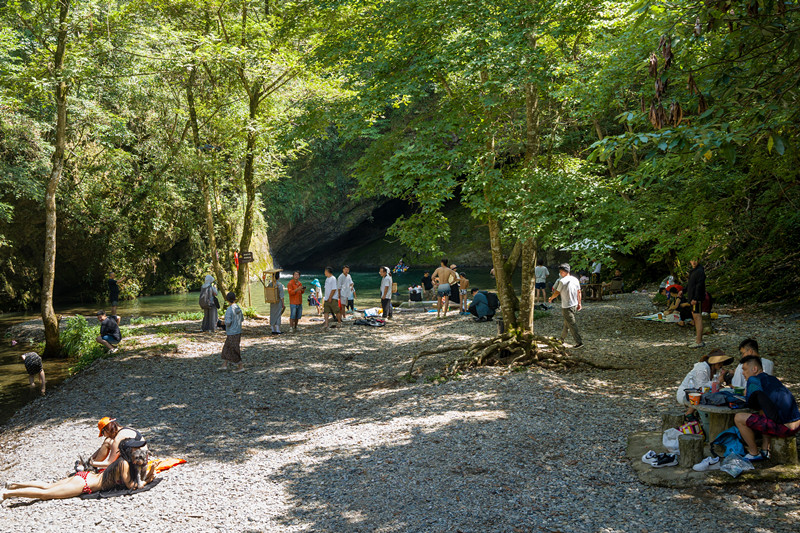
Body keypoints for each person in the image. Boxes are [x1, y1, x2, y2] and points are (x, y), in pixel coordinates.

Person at [2, 438, 156, 501]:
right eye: (136, 448)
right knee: (46, 494)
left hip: (85, 476)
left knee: (48, 485)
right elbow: (132, 486)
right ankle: (8, 493)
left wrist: (147, 474)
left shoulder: (122, 461)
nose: (138, 450)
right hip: (84, 485)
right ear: (129, 451)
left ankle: (14, 484)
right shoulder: (124, 464)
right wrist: (149, 477)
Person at [734, 355, 800, 461]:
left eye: (745, 369)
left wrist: (747, 393)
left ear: (754, 369)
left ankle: (754, 452)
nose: (743, 373)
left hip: (784, 428)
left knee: (738, 418)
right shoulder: (772, 379)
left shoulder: (754, 380)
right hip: (796, 425)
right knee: (762, 411)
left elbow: (750, 404)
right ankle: (765, 449)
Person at [547, 263, 583, 348]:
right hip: (574, 304)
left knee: (571, 324)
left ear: (563, 272)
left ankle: (579, 342)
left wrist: (551, 298)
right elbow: (579, 292)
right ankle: (561, 339)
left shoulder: (562, 281)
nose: (560, 273)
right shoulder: (575, 279)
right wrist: (579, 303)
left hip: (567, 306)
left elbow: (557, 292)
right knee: (567, 323)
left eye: (560, 271)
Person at [219, 292, 244, 372]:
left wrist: (221, 323)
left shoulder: (229, 310)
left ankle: (240, 366)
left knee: (234, 349)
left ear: (227, 300)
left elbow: (228, 322)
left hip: (232, 332)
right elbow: (242, 319)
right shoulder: (238, 308)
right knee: (227, 347)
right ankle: (224, 364)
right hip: (238, 331)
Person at [686, 259, 706, 348]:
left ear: (698, 260)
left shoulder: (700, 271)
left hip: (696, 299)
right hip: (692, 298)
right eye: (691, 260)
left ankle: (699, 341)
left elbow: (700, 286)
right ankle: (698, 340)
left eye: (695, 260)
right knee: (695, 316)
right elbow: (690, 284)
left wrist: (696, 298)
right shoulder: (693, 271)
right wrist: (683, 291)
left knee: (697, 317)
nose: (693, 262)